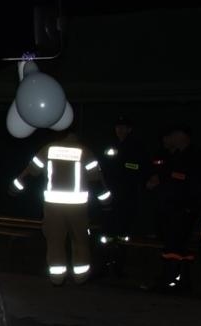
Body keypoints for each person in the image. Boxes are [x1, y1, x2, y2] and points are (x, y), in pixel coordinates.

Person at [15, 129, 109, 285]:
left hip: (53, 207)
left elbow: (31, 171)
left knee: (55, 241)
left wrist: (16, 186)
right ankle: (81, 277)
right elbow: (96, 180)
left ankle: (57, 278)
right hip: (78, 208)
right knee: (80, 241)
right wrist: (105, 201)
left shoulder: (49, 149)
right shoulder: (84, 151)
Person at [141, 124, 201, 293]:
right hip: (170, 208)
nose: (171, 139)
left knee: (176, 245)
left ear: (184, 137)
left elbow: (190, 182)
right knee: (174, 245)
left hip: (184, 208)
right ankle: (176, 279)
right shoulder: (173, 155)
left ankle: (173, 279)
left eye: (175, 135)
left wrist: (187, 205)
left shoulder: (195, 156)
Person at [97, 115, 147, 276]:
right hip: (108, 194)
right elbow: (102, 167)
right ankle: (103, 266)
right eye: (118, 126)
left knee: (122, 233)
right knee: (106, 232)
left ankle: (118, 267)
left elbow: (138, 168)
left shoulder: (136, 146)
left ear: (129, 129)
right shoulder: (108, 145)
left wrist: (122, 165)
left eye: (124, 127)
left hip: (127, 195)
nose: (120, 129)